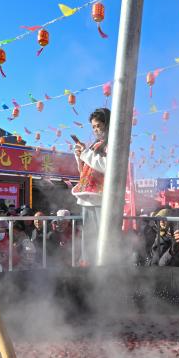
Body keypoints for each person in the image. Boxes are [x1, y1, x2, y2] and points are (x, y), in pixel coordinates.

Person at [71, 108, 109, 265]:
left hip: (101, 197)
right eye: (93, 127)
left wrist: (85, 154)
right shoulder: (95, 145)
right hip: (87, 196)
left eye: (98, 125)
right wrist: (79, 155)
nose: (95, 130)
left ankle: (102, 269)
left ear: (107, 124)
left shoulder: (112, 144)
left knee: (101, 238)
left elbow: (107, 166)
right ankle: (87, 268)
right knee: (88, 238)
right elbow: (83, 171)